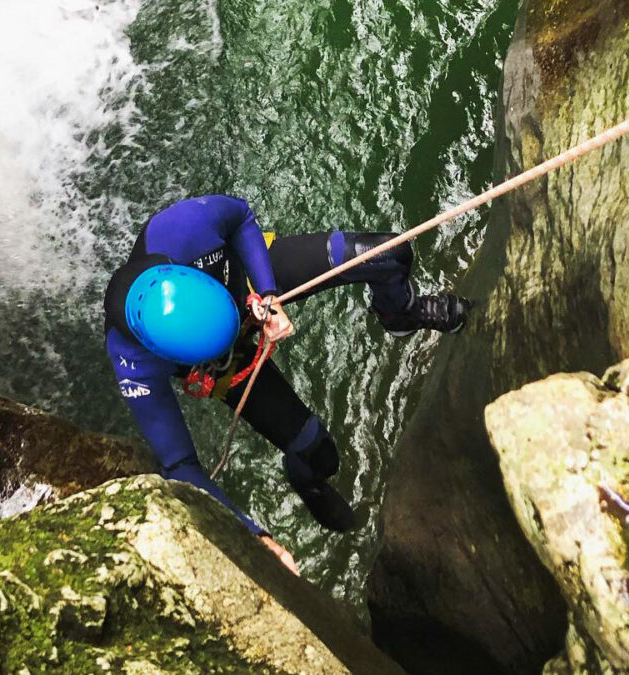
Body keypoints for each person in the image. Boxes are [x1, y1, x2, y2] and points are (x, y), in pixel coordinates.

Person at [103, 195, 468, 573]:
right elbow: (179, 464)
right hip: (223, 363)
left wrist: (268, 293)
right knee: (320, 454)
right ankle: (308, 481)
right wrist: (256, 536)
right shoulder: (135, 363)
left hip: (245, 286)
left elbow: (241, 216)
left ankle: (401, 314)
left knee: (388, 254)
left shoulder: (183, 228)